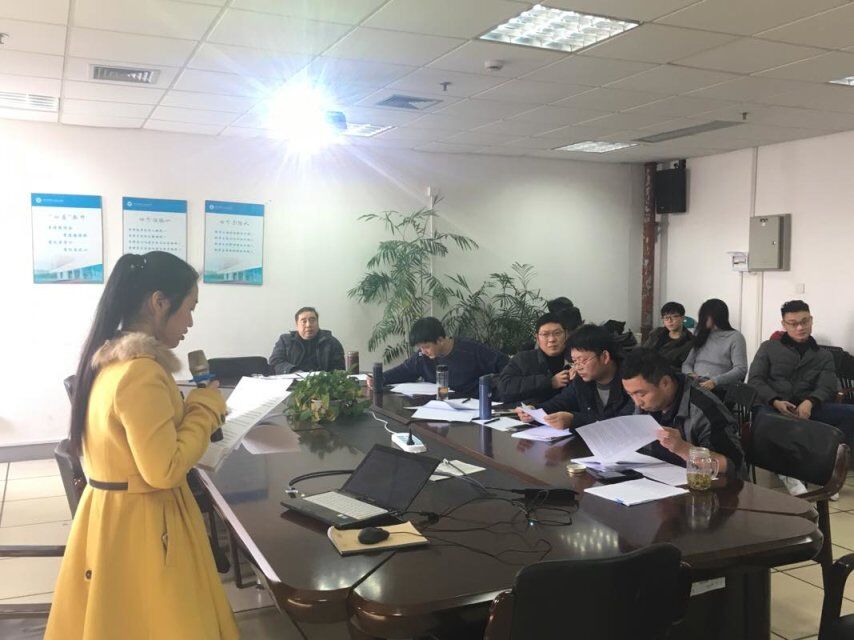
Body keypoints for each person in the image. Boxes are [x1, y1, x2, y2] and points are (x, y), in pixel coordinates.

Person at [46, 252, 238, 640]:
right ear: (159, 302)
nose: (190, 322)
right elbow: (164, 470)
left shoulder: (111, 363)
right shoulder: (141, 373)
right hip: (145, 524)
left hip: (114, 516)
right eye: (189, 308)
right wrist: (205, 408)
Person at [748, 300, 854, 494]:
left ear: (811, 320)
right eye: (793, 323)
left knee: (850, 413)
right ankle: (788, 473)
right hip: (772, 405)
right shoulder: (769, 347)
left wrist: (810, 402)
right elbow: (755, 380)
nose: (800, 327)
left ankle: (828, 471)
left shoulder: (823, 355)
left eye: (804, 321)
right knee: (767, 419)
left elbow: (827, 385)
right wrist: (775, 401)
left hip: (807, 406)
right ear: (784, 324)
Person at [622, 348, 746, 480]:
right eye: (630, 395)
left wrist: (683, 448)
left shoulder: (704, 407)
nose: (637, 403)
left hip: (705, 487)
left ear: (665, 383)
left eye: (641, 394)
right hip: (657, 480)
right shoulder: (646, 405)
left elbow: (732, 465)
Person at [515, 324, 634, 430]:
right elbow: (560, 402)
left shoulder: (632, 381)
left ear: (605, 357)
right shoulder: (581, 381)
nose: (577, 367)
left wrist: (574, 420)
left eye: (582, 360)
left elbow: (621, 425)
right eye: (574, 361)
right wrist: (533, 410)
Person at [380, 317, 509, 397]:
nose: (423, 351)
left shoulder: (471, 349)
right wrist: (380, 378)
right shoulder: (421, 357)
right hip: (440, 407)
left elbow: (505, 364)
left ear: (440, 340)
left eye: (426, 347)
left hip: (474, 407)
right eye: (420, 348)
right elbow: (404, 370)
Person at [497, 312, 571, 404]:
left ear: (566, 335)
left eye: (557, 333)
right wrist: (549, 382)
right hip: (528, 411)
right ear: (537, 338)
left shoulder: (576, 359)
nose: (552, 339)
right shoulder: (523, 359)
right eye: (545, 334)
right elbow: (504, 388)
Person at [682, 298, 747, 397]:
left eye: (705, 316)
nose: (702, 319)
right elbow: (687, 364)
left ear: (716, 316)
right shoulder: (701, 335)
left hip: (719, 388)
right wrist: (690, 374)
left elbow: (741, 369)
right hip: (695, 384)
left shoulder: (735, 337)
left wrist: (715, 381)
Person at [269, 306, 345, 374]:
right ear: (297, 324)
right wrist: (293, 371)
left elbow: (339, 369)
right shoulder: (285, 341)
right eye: (304, 321)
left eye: (312, 320)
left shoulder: (331, 342)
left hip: (322, 383)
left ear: (318, 323)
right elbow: (275, 362)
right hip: (293, 380)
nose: (308, 325)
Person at [642, 301, 693, 368]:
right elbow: (643, 351)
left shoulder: (689, 341)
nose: (669, 320)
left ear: (682, 318)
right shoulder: (657, 333)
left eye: (674, 316)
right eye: (666, 317)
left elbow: (680, 366)